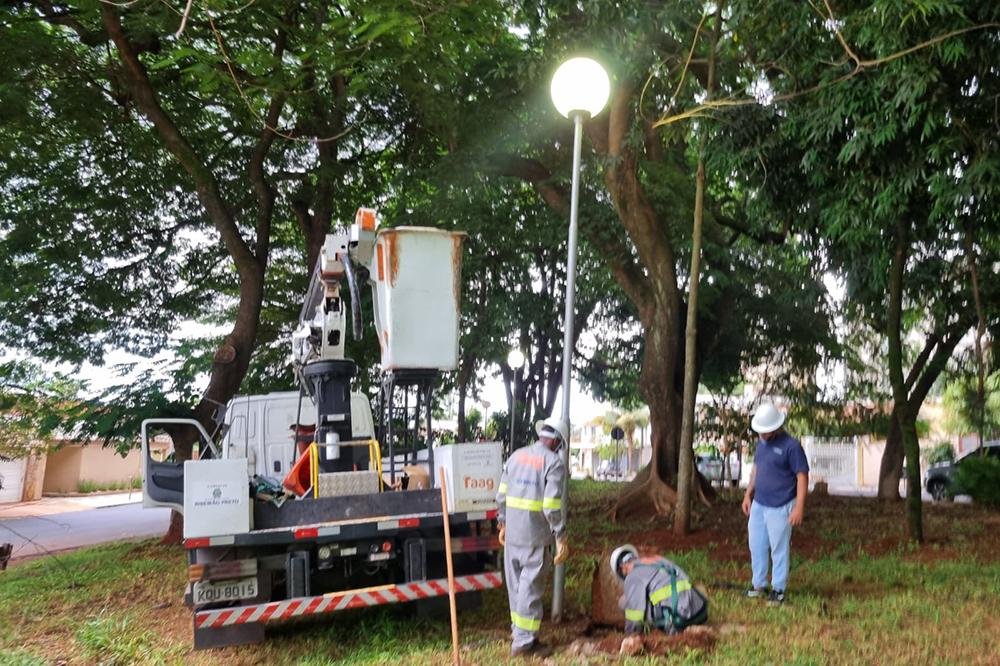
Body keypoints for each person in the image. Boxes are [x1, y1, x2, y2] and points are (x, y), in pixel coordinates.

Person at [495, 415, 570, 658]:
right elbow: (550, 506)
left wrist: (503, 523)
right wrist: (561, 536)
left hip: (513, 535)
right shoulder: (554, 463)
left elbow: (501, 495)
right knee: (530, 588)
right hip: (535, 537)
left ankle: (520, 632)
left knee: (516, 586)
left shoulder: (516, 456)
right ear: (557, 441)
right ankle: (525, 644)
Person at [742, 403, 809, 606]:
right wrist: (748, 494)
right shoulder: (761, 444)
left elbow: (802, 476)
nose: (762, 434)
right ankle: (759, 584)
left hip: (782, 505)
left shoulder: (791, 446)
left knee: (778, 548)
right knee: (757, 545)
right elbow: (756, 470)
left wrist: (799, 507)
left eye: (765, 431)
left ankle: (778, 589)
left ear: (775, 427)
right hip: (759, 504)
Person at [611, 544, 708, 635]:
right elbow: (686, 578)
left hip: (680, 618)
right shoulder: (657, 559)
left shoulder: (632, 577)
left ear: (622, 567)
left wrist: (630, 634)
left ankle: (668, 627)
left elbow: (635, 612)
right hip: (700, 611)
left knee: (624, 602)